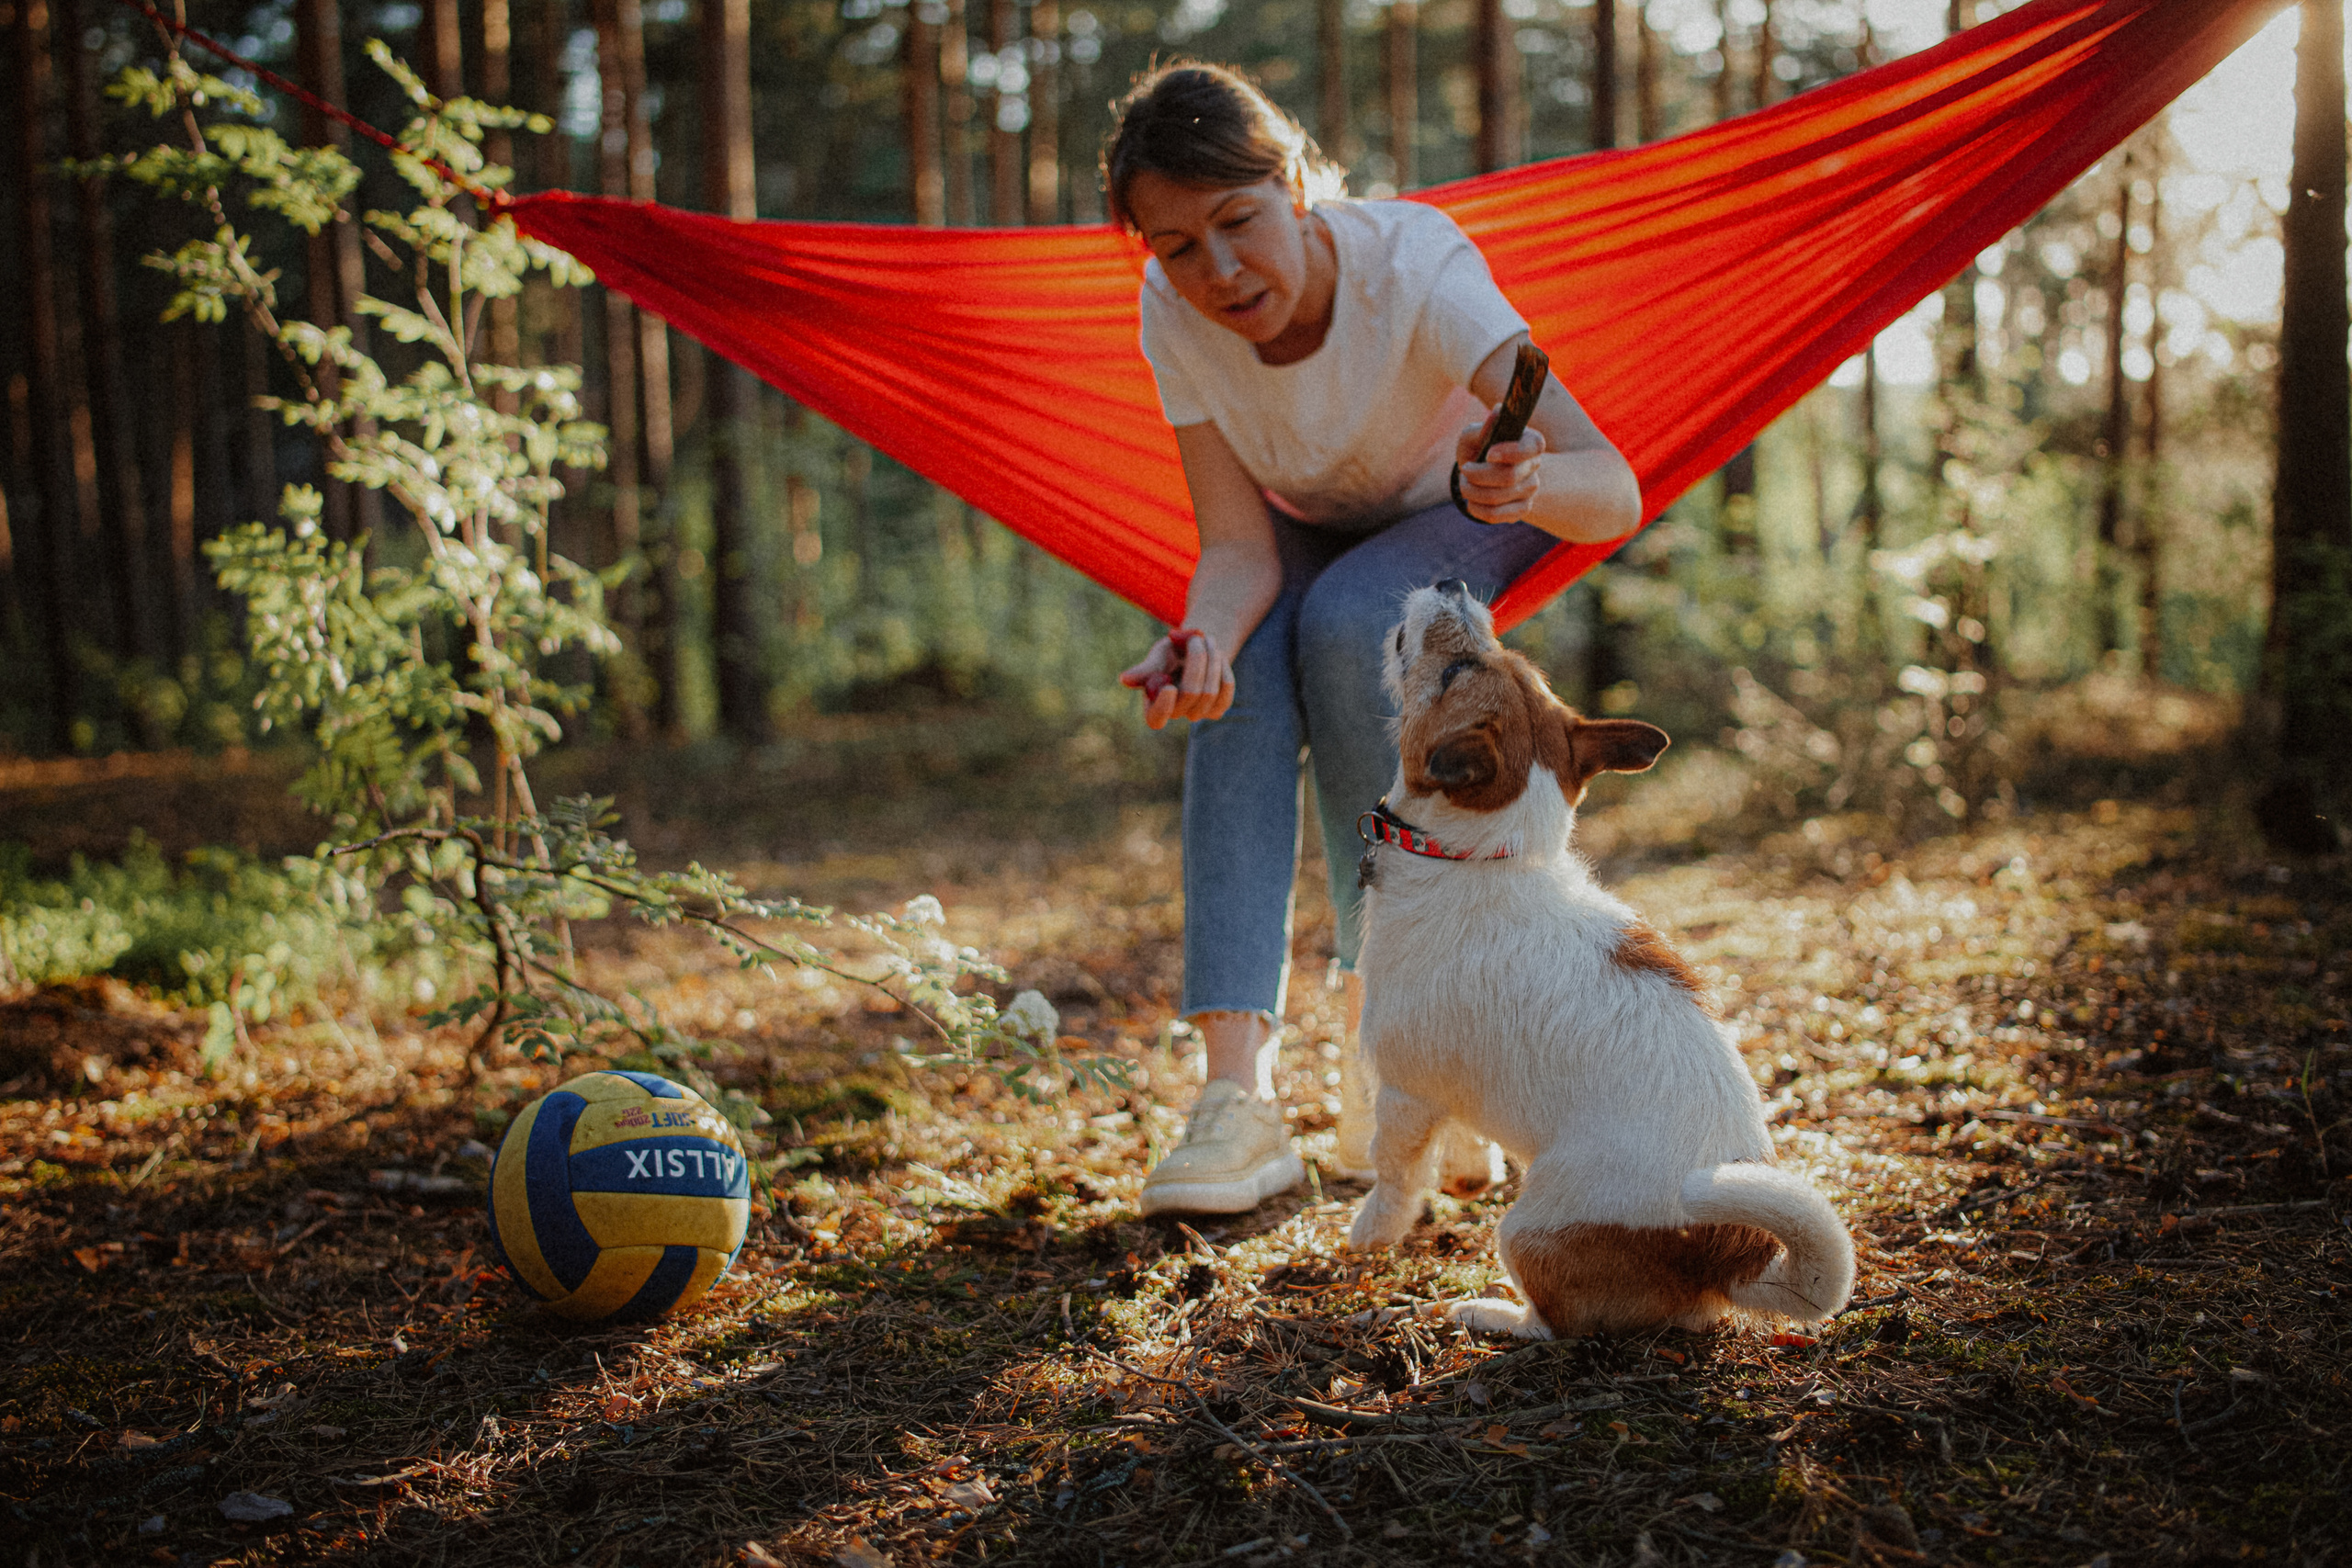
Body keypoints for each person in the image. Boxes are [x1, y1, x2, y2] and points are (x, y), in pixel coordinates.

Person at [1107, 63, 1642, 1217]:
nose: (1218, 270)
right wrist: (1197, 637)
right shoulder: (1174, 309)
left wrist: (1532, 478)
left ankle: (1392, 1057)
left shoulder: (1416, 270)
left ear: (1297, 185)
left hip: (1459, 517)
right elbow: (1240, 551)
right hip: (1307, 537)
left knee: (1359, 622)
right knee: (1235, 673)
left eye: (1238, 222)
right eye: (1178, 246)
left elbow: (1616, 491)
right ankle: (1235, 1101)